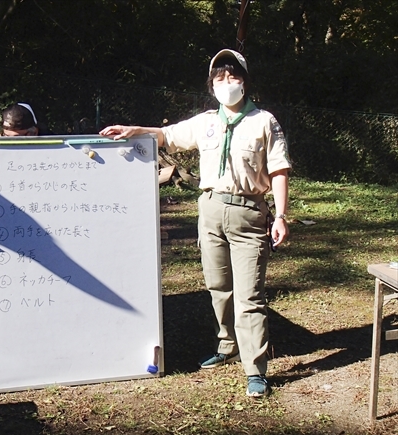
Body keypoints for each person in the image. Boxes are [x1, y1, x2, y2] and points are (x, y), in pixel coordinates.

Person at [100, 49, 291, 397]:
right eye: (220, 78)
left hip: (249, 213)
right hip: (211, 210)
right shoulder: (206, 122)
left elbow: (279, 169)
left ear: (245, 82)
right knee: (218, 285)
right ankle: (227, 344)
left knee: (250, 295)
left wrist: (279, 215)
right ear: (211, 85)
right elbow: (167, 135)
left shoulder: (264, 121)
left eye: (233, 77)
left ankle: (255, 369)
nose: (227, 84)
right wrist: (134, 130)